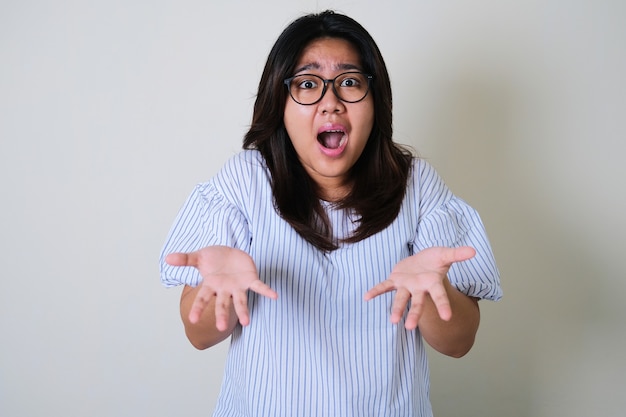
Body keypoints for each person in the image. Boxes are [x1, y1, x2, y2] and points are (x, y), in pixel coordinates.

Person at [160, 10, 501, 417]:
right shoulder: (245, 182)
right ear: (280, 104)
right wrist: (217, 292)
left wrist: (433, 292)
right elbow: (199, 336)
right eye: (307, 84)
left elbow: (458, 343)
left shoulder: (416, 185)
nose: (331, 103)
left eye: (350, 82)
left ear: (376, 100)